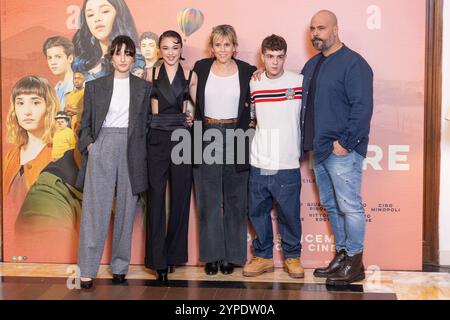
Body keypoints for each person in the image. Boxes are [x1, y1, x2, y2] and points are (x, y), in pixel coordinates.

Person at [301, 10, 374, 285]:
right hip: (318, 150)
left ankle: (355, 262)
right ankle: (342, 255)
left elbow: (363, 108)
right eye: (312, 29)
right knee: (332, 206)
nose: (315, 34)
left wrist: (345, 143)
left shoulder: (354, 64)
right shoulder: (312, 65)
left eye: (321, 28)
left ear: (335, 29)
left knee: (349, 206)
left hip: (341, 151)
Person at [76, 35, 151, 289]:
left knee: (127, 210)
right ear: (111, 56)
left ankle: (120, 267)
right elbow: (84, 125)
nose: (122, 58)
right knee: (94, 210)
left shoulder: (143, 87)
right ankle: (87, 270)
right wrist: (91, 147)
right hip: (103, 145)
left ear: (133, 58)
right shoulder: (95, 86)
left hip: (132, 147)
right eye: (118, 53)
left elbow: (147, 125)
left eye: (128, 53)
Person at [193, 25, 256, 276]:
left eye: (227, 44)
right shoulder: (200, 67)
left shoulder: (247, 71)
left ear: (234, 47)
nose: (222, 49)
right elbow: (189, 99)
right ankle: (212, 256)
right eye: (218, 44)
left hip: (237, 135)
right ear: (212, 47)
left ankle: (232, 256)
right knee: (208, 199)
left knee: (235, 199)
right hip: (206, 133)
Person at [243, 35, 304, 279]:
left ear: (285, 57)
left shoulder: (299, 82)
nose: (275, 62)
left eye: (280, 57)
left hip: (287, 161)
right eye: (270, 57)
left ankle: (292, 258)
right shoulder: (254, 83)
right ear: (262, 57)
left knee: (289, 215)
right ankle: (263, 257)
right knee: (257, 212)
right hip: (260, 161)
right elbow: (251, 118)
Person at [145, 30, 196, 282]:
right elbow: (143, 110)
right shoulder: (150, 74)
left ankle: (174, 255)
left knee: (181, 197)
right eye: (165, 48)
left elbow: (198, 109)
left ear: (180, 48)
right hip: (156, 139)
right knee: (155, 197)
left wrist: (191, 117)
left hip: (182, 140)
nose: (171, 52)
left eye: (175, 47)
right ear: (159, 50)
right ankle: (158, 260)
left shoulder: (191, 75)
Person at [3, 76, 59, 260]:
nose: (26, 111)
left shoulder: (59, 155)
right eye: (20, 103)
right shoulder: (10, 156)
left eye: (35, 102)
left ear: (48, 108)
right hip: (13, 254)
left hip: (48, 253)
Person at [72, 0, 140, 81]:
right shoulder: (81, 62)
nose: (97, 19)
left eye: (105, 11)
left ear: (119, 14)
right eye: (90, 15)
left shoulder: (136, 60)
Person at [42, 36, 74, 109]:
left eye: (58, 57)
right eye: (49, 58)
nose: (53, 62)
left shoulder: (84, 87)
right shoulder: (53, 92)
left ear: (70, 58)